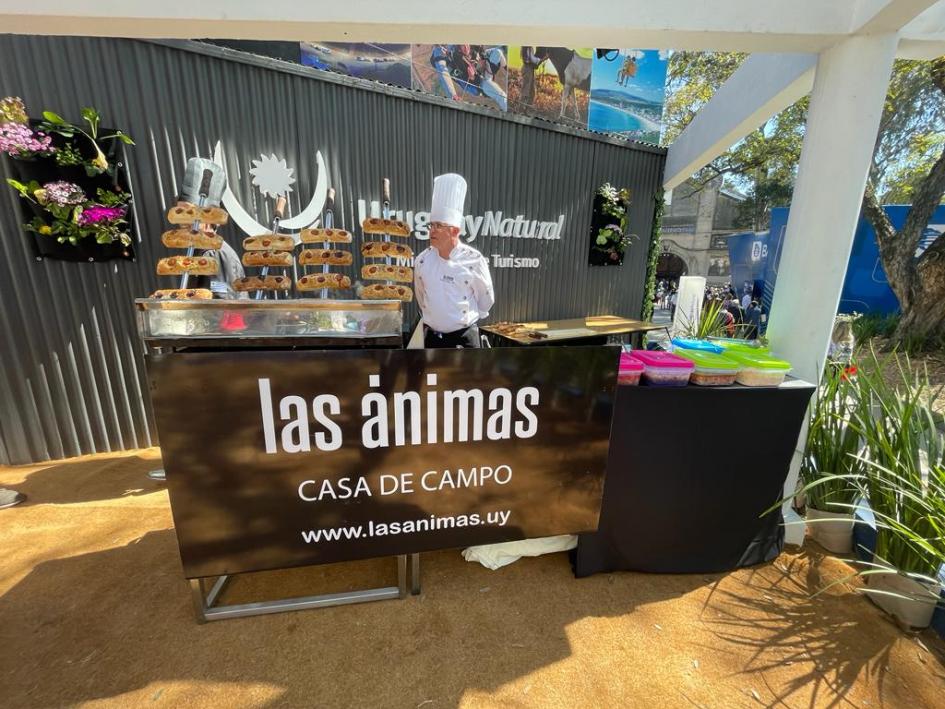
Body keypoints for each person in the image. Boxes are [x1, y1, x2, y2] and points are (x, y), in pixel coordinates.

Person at [415, 173, 494, 348]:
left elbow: (486, 300)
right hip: (432, 339)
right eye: (431, 225)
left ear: (454, 231)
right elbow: (421, 298)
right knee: (432, 377)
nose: (432, 231)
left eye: (438, 226)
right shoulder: (422, 261)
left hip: (464, 339)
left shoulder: (474, 260)